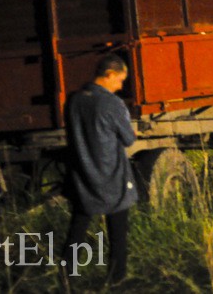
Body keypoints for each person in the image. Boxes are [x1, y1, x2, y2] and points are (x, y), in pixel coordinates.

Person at [62, 53, 137, 284]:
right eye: (120, 80)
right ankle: (116, 280)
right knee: (117, 233)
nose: (120, 86)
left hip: (82, 175)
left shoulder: (74, 100)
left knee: (77, 228)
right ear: (109, 74)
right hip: (111, 175)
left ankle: (67, 278)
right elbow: (128, 139)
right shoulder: (111, 103)